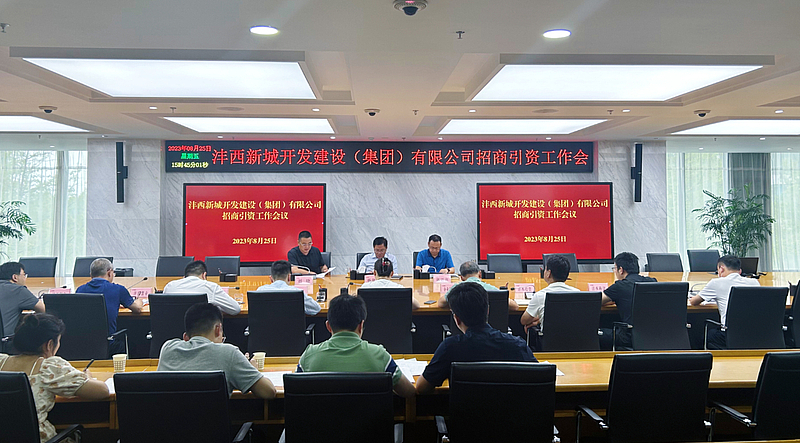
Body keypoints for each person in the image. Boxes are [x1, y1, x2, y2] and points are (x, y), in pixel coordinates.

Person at [0, 313, 109, 442]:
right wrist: (86, 377)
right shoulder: (48, 368)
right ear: (49, 345)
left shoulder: (1, 361)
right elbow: (102, 391)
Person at [416, 282, 536, 394]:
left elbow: (421, 388)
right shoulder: (517, 345)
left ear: (456, 319)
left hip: (465, 410)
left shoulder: (450, 348)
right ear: (487, 311)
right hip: (510, 410)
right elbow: (540, 378)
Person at [297, 294, 416, 398]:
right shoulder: (380, 355)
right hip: (370, 418)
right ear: (361, 325)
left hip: (322, 418)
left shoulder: (309, 356)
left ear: (328, 326)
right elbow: (409, 392)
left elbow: (296, 393)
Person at [157, 302, 276, 399]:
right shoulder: (228, 353)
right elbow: (269, 392)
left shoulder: (168, 348)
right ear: (218, 329)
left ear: (186, 337)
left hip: (170, 421)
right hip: (211, 422)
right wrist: (250, 370)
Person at [690, 255, 760, 349]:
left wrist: (692, 298)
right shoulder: (754, 283)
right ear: (740, 271)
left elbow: (694, 302)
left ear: (721, 269)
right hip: (755, 334)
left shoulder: (716, 283)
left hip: (728, 336)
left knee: (699, 335)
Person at [75, 258, 142, 354]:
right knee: (135, 345)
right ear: (109, 273)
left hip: (84, 344)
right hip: (110, 345)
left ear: (91, 275)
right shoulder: (117, 289)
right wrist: (139, 301)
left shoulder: (80, 290)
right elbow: (137, 309)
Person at [599, 252, 657, 350]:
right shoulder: (652, 282)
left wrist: (613, 298)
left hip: (628, 337)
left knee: (593, 333)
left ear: (621, 270)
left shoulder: (619, 286)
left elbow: (595, 301)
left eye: (615, 268)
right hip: (655, 336)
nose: (615, 271)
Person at [521, 255, 579, 347]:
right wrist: (540, 319)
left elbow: (524, 320)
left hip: (549, 345)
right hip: (577, 344)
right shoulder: (578, 293)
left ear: (548, 273)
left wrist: (539, 318)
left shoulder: (540, 295)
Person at [162, 260, 241, 315]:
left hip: (172, 332)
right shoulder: (210, 287)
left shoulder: (169, 286)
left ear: (184, 277)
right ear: (204, 275)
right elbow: (235, 309)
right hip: (201, 332)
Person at [438, 261, 518, 311]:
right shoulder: (491, 289)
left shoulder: (457, 289)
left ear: (461, 278)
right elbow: (514, 307)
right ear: (480, 274)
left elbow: (441, 303)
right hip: (490, 331)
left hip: (463, 331)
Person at [255, 260, 321, 315]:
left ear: (271, 278)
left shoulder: (260, 291)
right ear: (289, 277)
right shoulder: (297, 292)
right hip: (293, 327)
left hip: (266, 327)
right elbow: (316, 308)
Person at [0, 261, 44, 338]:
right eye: (24, 275)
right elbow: (42, 308)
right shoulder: (18, 290)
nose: (25, 278)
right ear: (15, 277)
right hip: (5, 341)